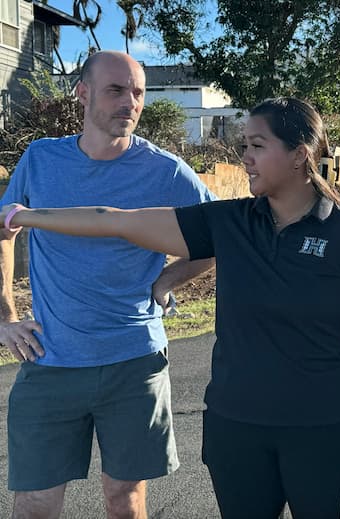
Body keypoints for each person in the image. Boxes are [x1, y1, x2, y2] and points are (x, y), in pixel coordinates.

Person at [1, 96, 340, 518]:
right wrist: (25, 216)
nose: (245, 158)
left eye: (258, 146)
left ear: (300, 155)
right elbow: (114, 220)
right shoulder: (228, 223)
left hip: (324, 432)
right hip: (236, 429)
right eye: (244, 145)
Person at [0, 51, 216, 518]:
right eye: (117, 90)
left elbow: (220, 237)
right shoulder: (41, 159)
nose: (130, 103)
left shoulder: (166, 170)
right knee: (35, 502)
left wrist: (168, 279)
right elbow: (4, 229)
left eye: (138, 93)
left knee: (124, 500)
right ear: (83, 93)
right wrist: (7, 319)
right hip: (50, 360)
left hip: (133, 361)